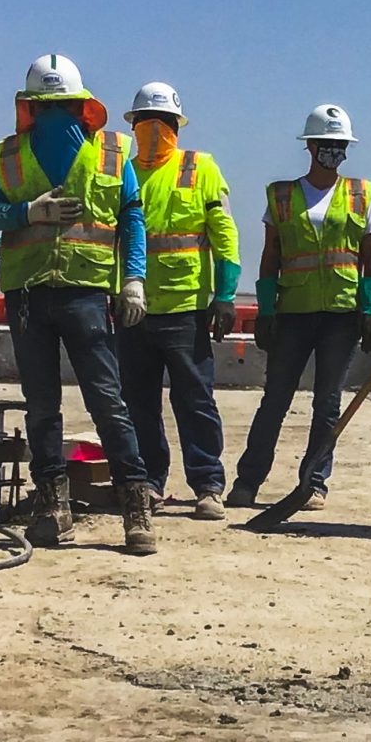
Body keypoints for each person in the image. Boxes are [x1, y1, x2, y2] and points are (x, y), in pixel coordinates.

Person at [0, 53, 159, 557]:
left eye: (65, 104)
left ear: (82, 106)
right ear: (33, 108)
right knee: (42, 407)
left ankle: (135, 510)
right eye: (48, 105)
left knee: (108, 402)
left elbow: (132, 218)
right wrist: (26, 212)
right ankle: (53, 509)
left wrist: (134, 281)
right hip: (29, 296)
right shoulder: (10, 155)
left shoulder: (111, 153)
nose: (57, 114)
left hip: (85, 293)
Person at [227, 104, 371, 510]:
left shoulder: (361, 194)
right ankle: (248, 482)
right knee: (276, 398)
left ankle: (313, 482)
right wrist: (265, 310)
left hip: (340, 315)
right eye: (326, 144)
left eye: (339, 145)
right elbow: (270, 256)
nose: (333, 150)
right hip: (293, 312)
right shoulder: (281, 196)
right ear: (310, 146)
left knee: (327, 403)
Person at [117, 82, 241, 519]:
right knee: (139, 402)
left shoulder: (201, 168)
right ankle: (151, 481)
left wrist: (225, 294)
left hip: (186, 308)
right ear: (133, 127)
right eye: (145, 123)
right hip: (133, 309)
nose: (154, 131)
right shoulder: (124, 172)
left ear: (176, 127)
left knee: (194, 399)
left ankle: (208, 483)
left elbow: (224, 233)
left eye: (162, 123)